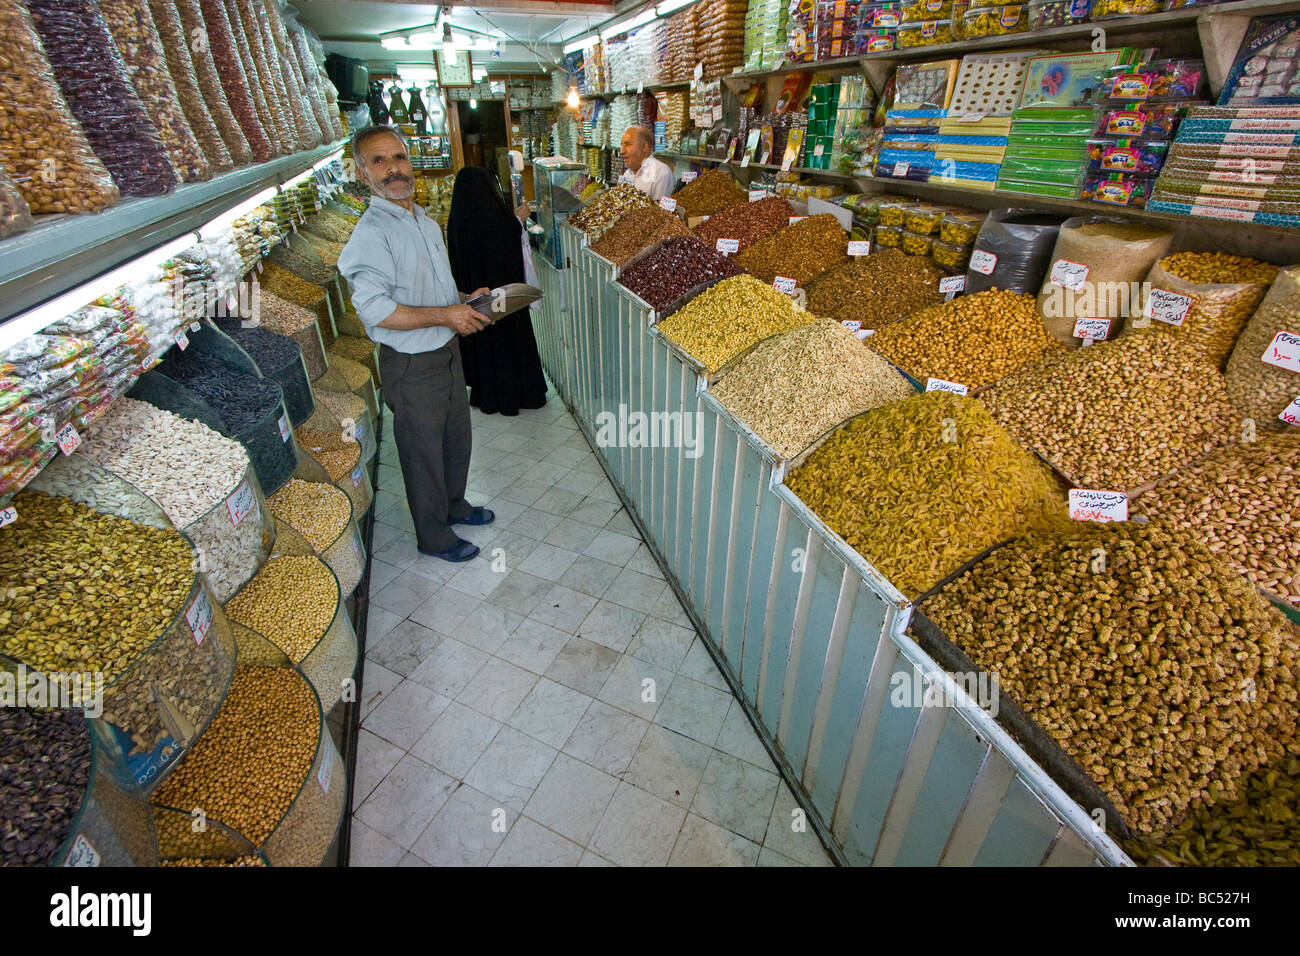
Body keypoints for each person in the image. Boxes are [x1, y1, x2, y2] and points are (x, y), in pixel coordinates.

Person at [337, 126, 494, 563]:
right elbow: (376, 310)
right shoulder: (371, 233)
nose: (393, 170)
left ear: (411, 162)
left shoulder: (421, 220)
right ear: (362, 172)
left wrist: (462, 300)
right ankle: (434, 534)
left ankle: (454, 505)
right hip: (411, 364)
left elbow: (427, 287)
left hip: (445, 353)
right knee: (423, 452)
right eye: (378, 162)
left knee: (455, 439)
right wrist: (447, 315)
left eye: (399, 158)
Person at [445, 166, 549, 416]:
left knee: (485, 342)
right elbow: (504, 237)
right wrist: (518, 219)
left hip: (475, 298)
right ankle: (520, 394)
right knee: (509, 340)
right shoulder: (492, 218)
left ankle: (489, 394)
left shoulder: (457, 218)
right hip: (503, 298)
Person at [618, 125, 674, 199]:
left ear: (644, 147)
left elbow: (660, 210)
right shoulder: (627, 174)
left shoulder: (661, 173)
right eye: (621, 145)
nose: (622, 151)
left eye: (627, 144)